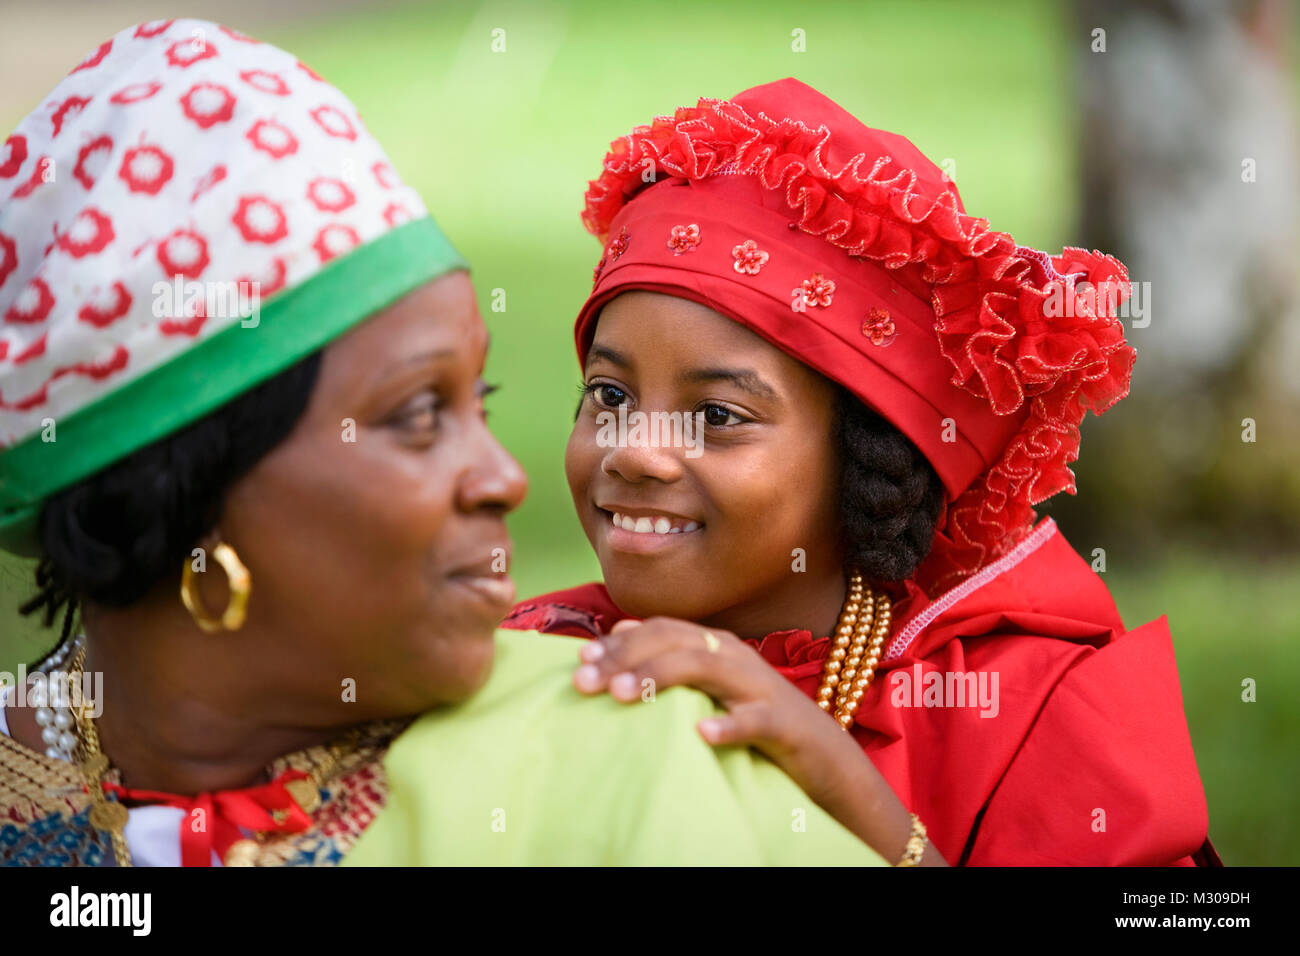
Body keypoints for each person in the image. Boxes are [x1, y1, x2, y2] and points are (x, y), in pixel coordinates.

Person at [0, 23, 884, 867]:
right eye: (420, 414)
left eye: (481, 404)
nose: (505, 477)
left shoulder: (625, 753)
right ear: (187, 483)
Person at [504, 78, 1221, 866]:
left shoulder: (1032, 715)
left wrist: (859, 806)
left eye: (716, 416)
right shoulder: (533, 666)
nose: (634, 450)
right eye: (608, 395)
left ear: (866, 456)